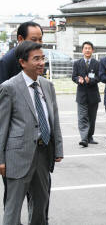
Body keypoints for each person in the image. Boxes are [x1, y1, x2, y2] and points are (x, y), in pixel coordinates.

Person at [0, 41, 63, 225]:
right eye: (36, 59)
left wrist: (58, 149)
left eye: (42, 58)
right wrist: (1, 159)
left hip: (43, 155)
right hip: (17, 156)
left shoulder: (47, 85)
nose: (41, 62)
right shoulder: (9, 87)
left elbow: (54, 119)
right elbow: (2, 126)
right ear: (22, 62)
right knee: (13, 207)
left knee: (41, 204)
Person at [0, 21, 44, 225]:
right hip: (15, 147)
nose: (38, 43)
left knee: (39, 197)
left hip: (38, 146)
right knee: (14, 198)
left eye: (40, 40)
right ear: (20, 40)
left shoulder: (39, 68)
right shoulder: (8, 63)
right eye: (33, 39)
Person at [72, 41, 100, 148]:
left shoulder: (97, 64)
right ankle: (84, 138)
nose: (87, 50)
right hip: (81, 95)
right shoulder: (77, 63)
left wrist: (90, 81)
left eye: (89, 48)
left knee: (92, 118)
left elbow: (99, 77)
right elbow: (73, 77)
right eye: (85, 48)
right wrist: (78, 80)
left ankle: (90, 137)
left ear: (92, 50)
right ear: (82, 50)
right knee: (82, 117)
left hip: (93, 95)